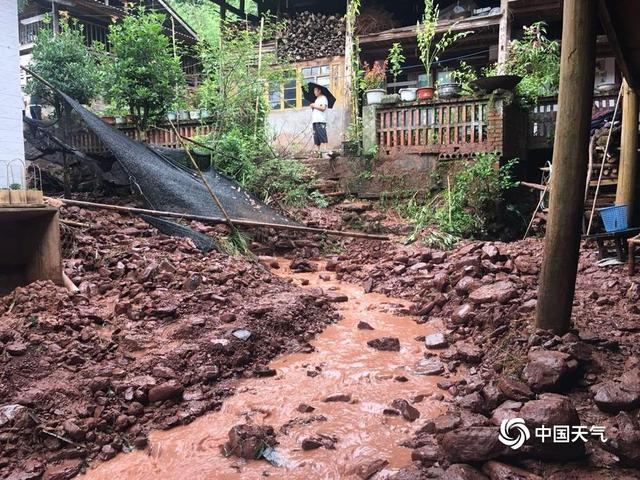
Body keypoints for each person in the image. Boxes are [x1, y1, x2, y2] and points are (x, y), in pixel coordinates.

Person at [310, 86, 328, 157]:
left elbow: (323, 108)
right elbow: (316, 110)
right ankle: (318, 152)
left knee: (322, 135)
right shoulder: (316, 99)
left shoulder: (323, 98)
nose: (314, 92)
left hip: (321, 120)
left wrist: (314, 106)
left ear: (319, 91)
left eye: (315, 91)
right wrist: (313, 107)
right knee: (316, 137)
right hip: (315, 120)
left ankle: (325, 151)